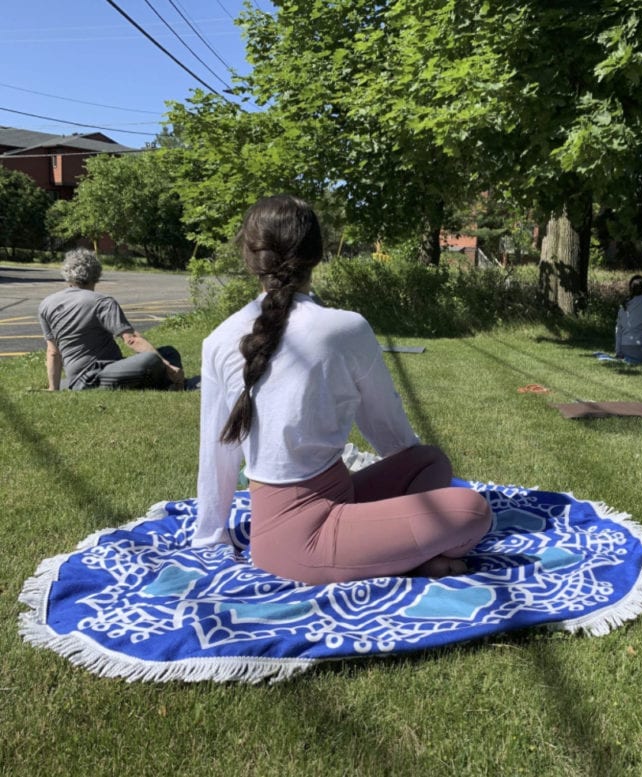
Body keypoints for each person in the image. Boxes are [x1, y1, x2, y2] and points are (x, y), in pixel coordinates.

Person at [192, 194, 492, 584]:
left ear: (250, 257)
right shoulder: (346, 327)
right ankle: (406, 556)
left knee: (429, 461)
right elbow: (388, 428)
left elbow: (216, 455)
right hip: (298, 542)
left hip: (336, 495)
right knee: (471, 511)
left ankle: (387, 549)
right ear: (318, 254)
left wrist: (210, 534)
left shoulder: (218, 337)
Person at [38, 248, 184, 391]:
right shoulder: (102, 302)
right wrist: (167, 365)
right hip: (95, 375)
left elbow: (53, 351)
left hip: (83, 376)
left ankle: (167, 380)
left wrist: (53, 388)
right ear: (96, 275)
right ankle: (170, 381)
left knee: (168, 352)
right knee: (152, 360)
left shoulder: (46, 304)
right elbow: (132, 340)